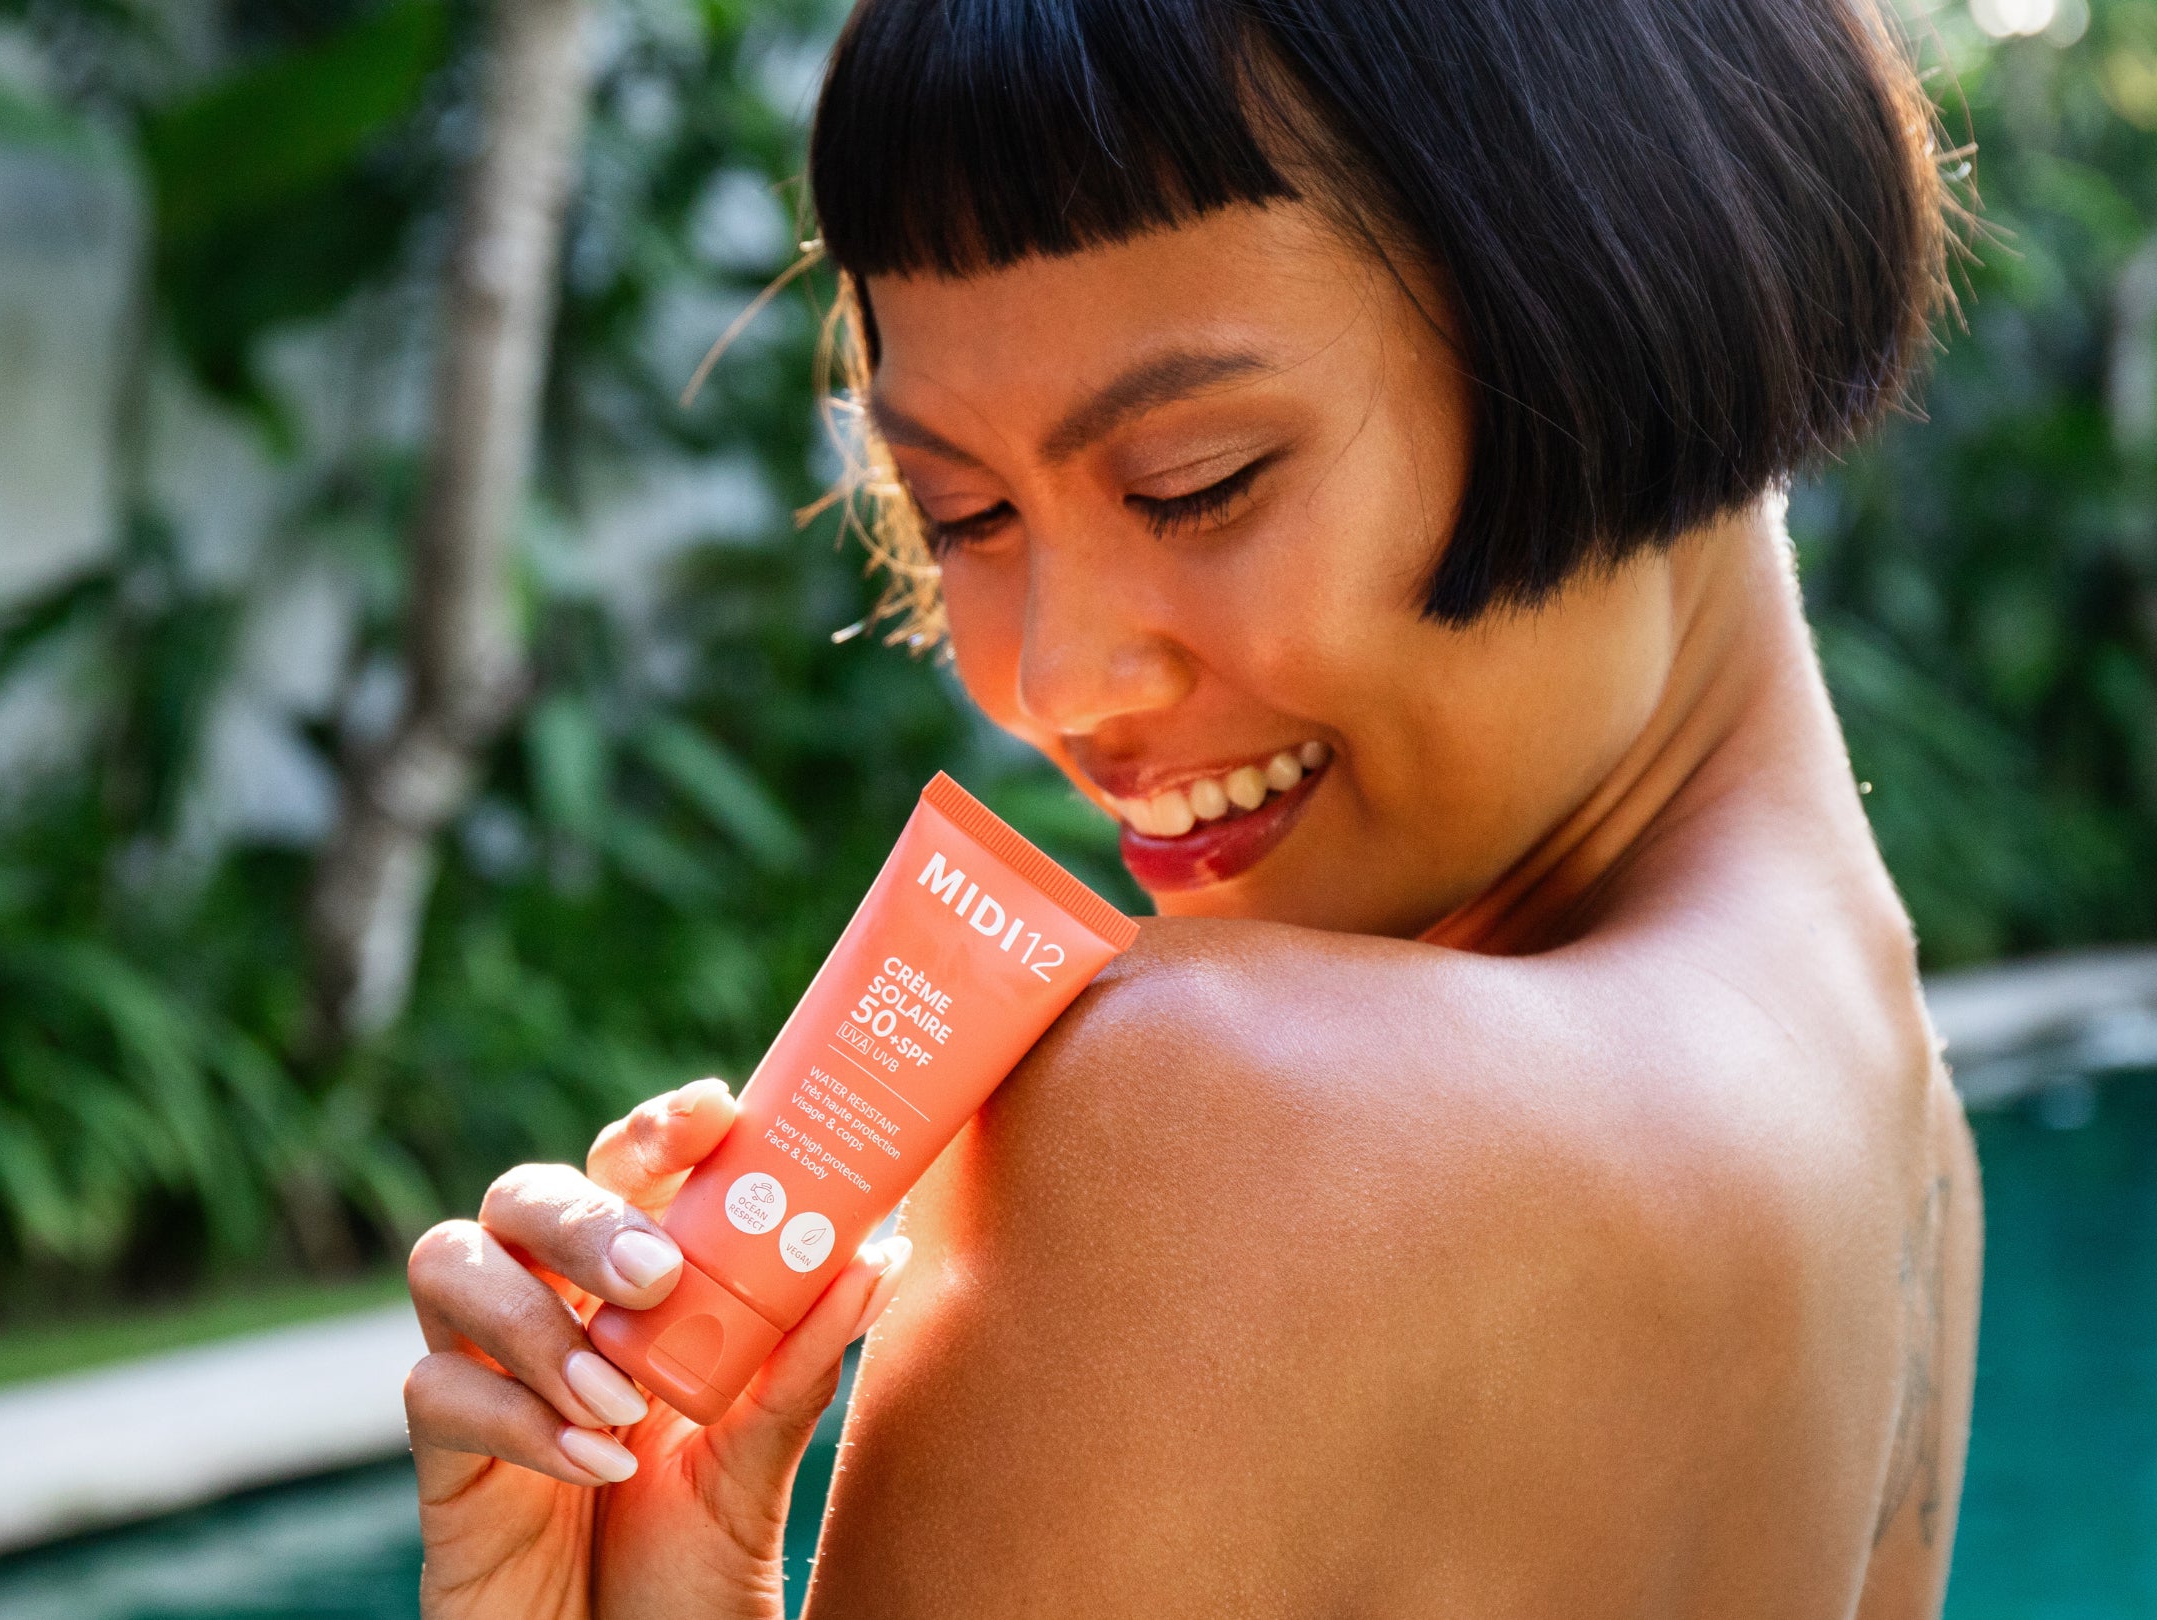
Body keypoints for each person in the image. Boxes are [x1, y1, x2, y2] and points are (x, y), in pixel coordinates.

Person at [400, 0, 1983, 1613]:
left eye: (1194, 483)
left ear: (1636, 313)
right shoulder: (1906, 1139)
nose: (1053, 684)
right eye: (963, 510)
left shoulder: (1209, 1112)